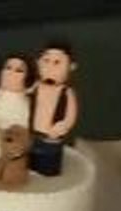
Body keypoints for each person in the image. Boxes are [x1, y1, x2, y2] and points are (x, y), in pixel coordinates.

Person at [28, 41, 79, 177]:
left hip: (50, 140)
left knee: (48, 169)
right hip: (29, 136)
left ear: (71, 66)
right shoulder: (34, 86)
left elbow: (70, 114)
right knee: (28, 167)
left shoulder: (67, 92)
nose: (50, 66)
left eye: (57, 62)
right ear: (38, 62)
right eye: (46, 60)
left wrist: (64, 125)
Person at [0, 54, 34, 167]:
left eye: (19, 70)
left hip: (15, 145)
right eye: (8, 67)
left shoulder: (24, 102)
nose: (11, 73)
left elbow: (25, 126)